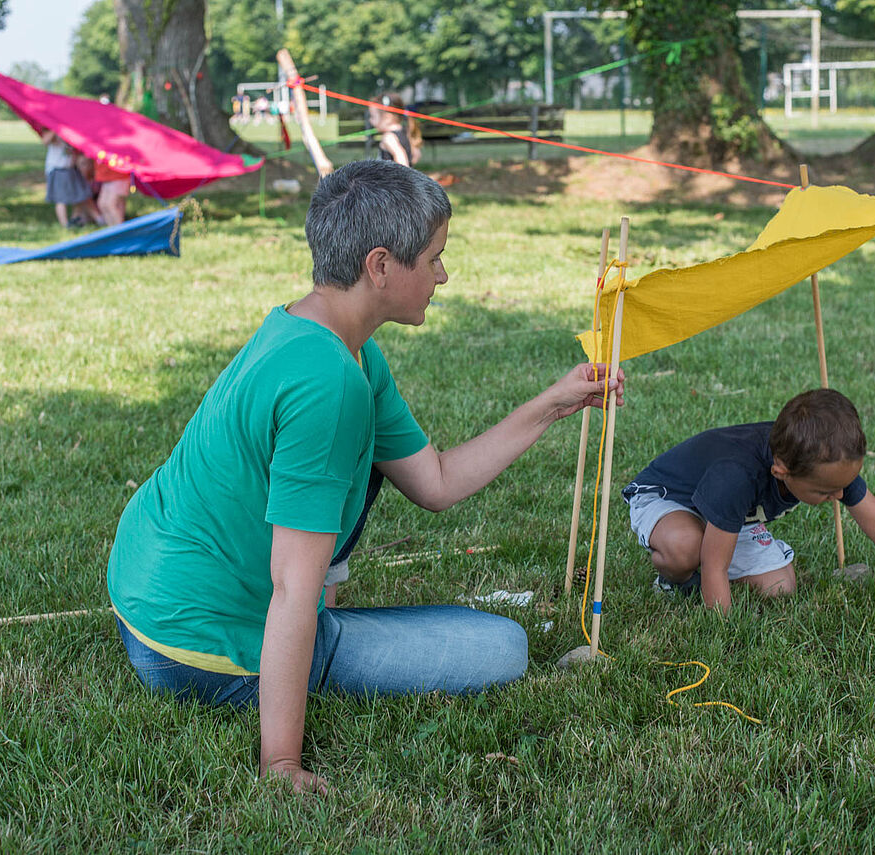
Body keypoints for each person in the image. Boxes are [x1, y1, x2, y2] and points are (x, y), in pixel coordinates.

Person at [107, 159, 623, 795]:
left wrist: (554, 403)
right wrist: (282, 765)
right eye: (434, 257)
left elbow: (433, 481)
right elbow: (293, 590)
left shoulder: (326, 334)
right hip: (194, 645)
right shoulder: (328, 386)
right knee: (501, 649)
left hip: (144, 589)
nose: (443, 273)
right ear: (381, 266)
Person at [622, 388, 875, 613]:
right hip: (670, 500)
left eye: (843, 486)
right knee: (689, 547)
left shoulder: (828, 464)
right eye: (826, 491)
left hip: (730, 515)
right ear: (782, 470)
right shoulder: (737, 474)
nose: (839, 495)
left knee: (780, 586)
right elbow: (716, 565)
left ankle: (697, 580)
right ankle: (674, 579)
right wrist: (723, 638)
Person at [41, 129, 102, 228]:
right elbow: (45, 141)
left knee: (83, 195)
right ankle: (65, 225)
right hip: (58, 169)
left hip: (72, 168)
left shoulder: (71, 131)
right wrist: (57, 129)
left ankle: (96, 219)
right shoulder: (54, 131)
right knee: (61, 198)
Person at [368, 93, 423, 168]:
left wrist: (404, 177)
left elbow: (402, 160)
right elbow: (416, 156)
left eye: (373, 117)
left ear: (387, 118)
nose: (370, 121)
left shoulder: (389, 138)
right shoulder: (406, 132)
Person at [93, 155, 131, 226]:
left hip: (118, 176)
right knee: (102, 204)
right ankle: (113, 229)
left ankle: (121, 230)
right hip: (108, 178)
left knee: (110, 204)